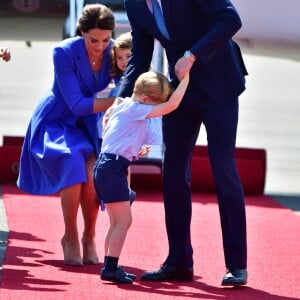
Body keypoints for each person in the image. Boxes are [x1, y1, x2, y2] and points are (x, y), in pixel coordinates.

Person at [117, 0, 249, 286]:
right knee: (173, 172)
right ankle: (178, 261)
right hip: (179, 93)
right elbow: (141, 54)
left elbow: (230, 20)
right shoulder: (135, 3)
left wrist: (192, 54)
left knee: (223, 168)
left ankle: (237, 265)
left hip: (219, 85)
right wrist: (121, 100)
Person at [17, 3, 116, 266]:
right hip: (57, 120)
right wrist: (118, 101)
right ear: (81, 32)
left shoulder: (115, 50)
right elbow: (76, 104)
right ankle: (70, 236)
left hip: (89, 123)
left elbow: (130, 81)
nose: (100, 46)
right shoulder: (63, 51)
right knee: (72, 164)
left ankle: (89, 236)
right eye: (93, 40)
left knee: (94, 172)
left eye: (105, 40)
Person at [93, 70, 190, 284]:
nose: (154, 111)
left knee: (115, 222)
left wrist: (136, 149)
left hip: (107, 166)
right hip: (113, 168)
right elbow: (172, 106)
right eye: (154, 106)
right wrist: (186, 80)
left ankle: (109, 265)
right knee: (124, 221)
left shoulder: (123, 106)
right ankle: (110, 268)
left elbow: (120, 137)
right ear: (145, 100)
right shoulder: (137, 108)